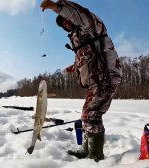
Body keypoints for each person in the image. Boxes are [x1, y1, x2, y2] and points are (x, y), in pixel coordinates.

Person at [40, 0, 123, 162]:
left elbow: (81, 15)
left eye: (66, 19)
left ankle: (96, 154)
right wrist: (75, 67)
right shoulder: (82, 39)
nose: (66, 24)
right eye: (63, 24)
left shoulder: (90, 28)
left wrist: (56, 7)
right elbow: (88, 56)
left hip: (106, 77)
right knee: (88, 114)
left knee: (91, 115)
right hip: (96, 79)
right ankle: (87, 149)